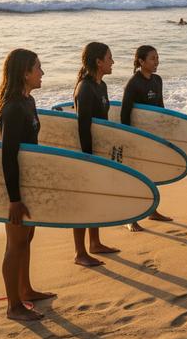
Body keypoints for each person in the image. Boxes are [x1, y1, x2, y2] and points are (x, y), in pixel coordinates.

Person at [0, 48, 55, 321]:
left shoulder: (28, 102)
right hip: (16, 188)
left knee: (27, 238)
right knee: (15, 244)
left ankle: (26, 290)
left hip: (29, 184)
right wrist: (14, 199)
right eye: (38, 68)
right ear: (25, 72)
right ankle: (13, 305)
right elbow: (7, 157)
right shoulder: (13, 109)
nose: (42, 73)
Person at [72, 42, 121, 266]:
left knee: (96, 198)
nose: (113, 62)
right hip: (86, 152)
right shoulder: (84, 88)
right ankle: (80, 252)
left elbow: (103, 123)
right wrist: (88, 158)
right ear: (98, 62)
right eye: (109, 58)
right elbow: (83, 127)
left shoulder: (101, 86)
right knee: (83, 201)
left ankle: (95, 243)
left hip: (99, 150)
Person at [121, 45, 173, 229]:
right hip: (137, 137)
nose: (156, 61)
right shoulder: (133, 83)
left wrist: (166, 130)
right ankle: (130, 217)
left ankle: (152, 211)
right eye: (152, 58)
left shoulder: (157, 80)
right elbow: (124, 114)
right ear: (141, 62)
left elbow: (160, 107)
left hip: (153, 136)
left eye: (157, 58)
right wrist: (129, 140)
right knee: (136, 178)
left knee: (152, 175)